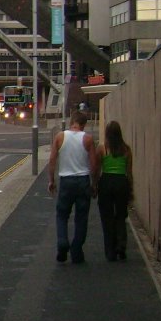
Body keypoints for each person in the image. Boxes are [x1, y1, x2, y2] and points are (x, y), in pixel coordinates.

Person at [47, 110, 98, 263]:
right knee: (81, 217)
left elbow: (52, 161)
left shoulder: (60, 137)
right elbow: (94, 164)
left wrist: (51, 180)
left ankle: (62, 241)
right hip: (83, 181)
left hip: (66, 181)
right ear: (83, 125)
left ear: (72, 122)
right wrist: (94, 183)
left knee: (62, 214)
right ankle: (76, 249)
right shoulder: (88, 139)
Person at [96, 120, 134, 261]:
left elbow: (97, 169)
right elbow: (129, 172)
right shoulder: (126, 149)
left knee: (107, 217)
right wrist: (131, 189)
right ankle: (121, 245)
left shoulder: (102, 148)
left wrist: (94, 185)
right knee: (121, 215)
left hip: (106, 182)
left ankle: (110, 251)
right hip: (121, 182)